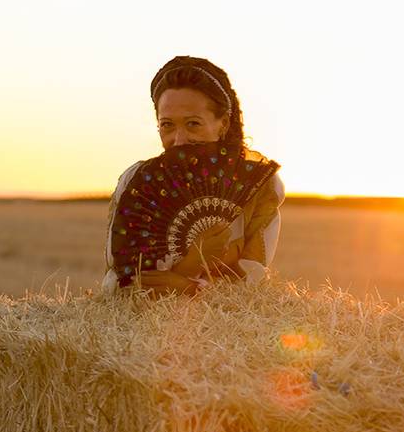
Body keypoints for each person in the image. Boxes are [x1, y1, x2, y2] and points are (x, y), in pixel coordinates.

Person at [101, 56, 285, 296]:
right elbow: (116, 282)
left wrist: (189, 288)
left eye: (193, 124)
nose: (179, 140)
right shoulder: (135, 182)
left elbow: (253, 283)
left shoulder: (260, 187)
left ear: (223, 123)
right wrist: (191, 262)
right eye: (167, 125)